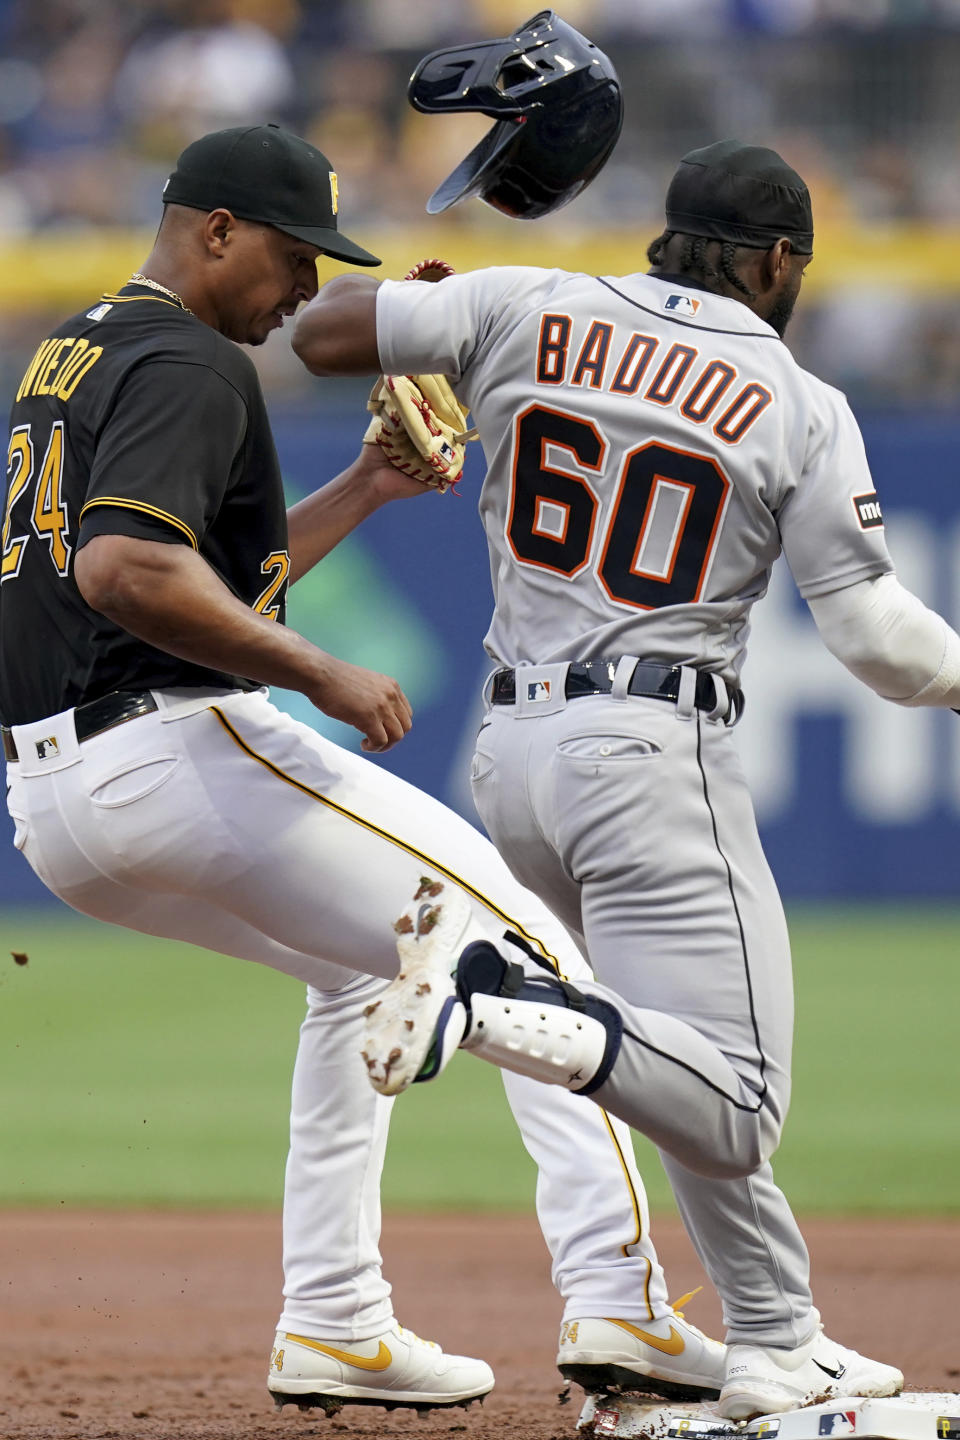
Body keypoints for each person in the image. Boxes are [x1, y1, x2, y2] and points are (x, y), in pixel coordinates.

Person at [0, 123, 728, 1416]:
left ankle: (336, 1318)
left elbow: (191, 569)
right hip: (172, 748)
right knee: (524, 935)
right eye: (291, 258)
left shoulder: (80, 347)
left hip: (57, 804)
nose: (303, 291)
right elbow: (127, 575)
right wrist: (311, 669)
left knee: (358, 976)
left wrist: (369, 487)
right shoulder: (192, 363)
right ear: (215, 233)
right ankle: (624, 1301)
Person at [290, 138, 955, 1420]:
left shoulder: (526, 299)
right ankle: (478, 1005)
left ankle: (773, 1331)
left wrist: (440, 341)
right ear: (776, 261)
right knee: (738, 1097)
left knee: (667, 1053)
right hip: (653, 751)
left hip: (510, 751)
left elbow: (324, 331)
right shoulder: (796, 395)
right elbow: (873, 638)